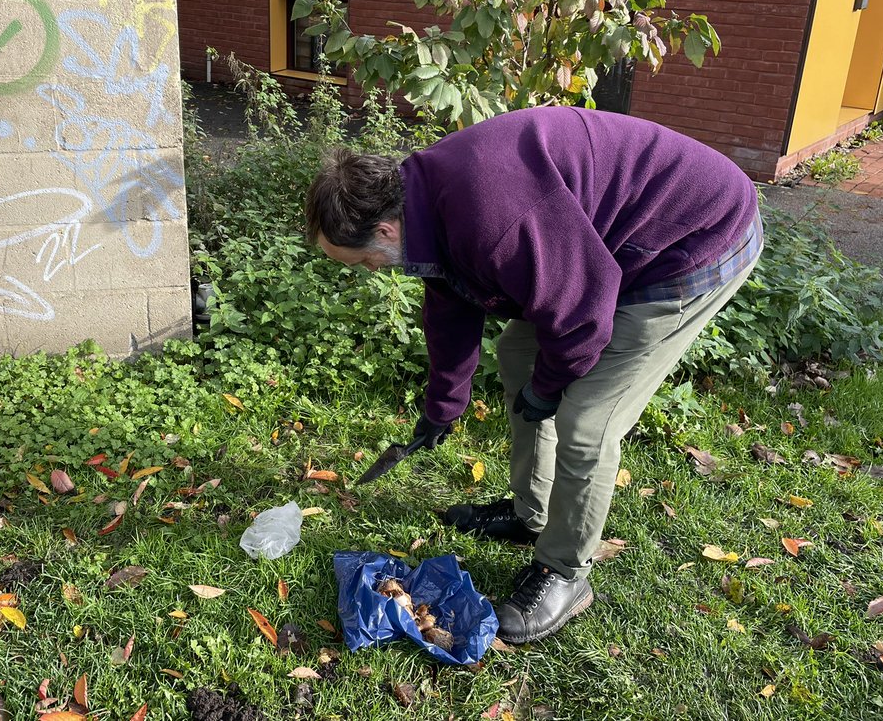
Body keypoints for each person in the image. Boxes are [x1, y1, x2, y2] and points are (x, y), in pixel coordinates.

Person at [305, 106, 762, 644]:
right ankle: (532, 512)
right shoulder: (425, 204)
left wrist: (548, 389)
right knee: (518, 354)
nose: (369, 271)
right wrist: (442, 408)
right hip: (601, 252)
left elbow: (582, 316)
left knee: (587, 422)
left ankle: (565, 572)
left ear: (384, 229)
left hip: (691, 239)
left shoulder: (492, 217)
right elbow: (451, 306)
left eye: (361, 262)